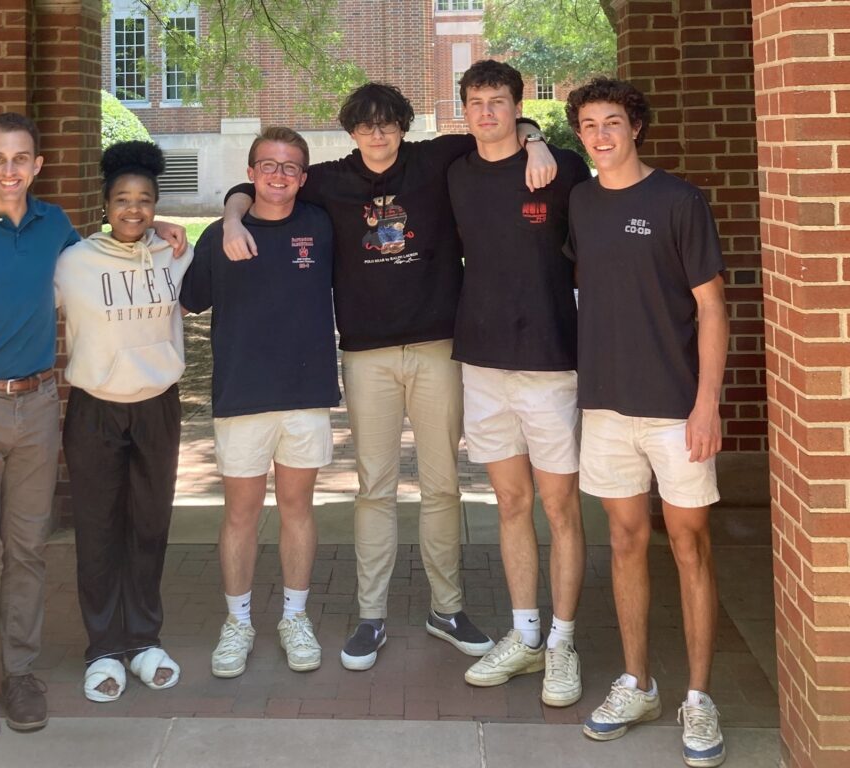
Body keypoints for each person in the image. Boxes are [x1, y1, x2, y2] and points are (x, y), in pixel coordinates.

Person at [222, 82, 558, 671]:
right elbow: (257, 187)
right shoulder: (328, 179)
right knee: (373, 487)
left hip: (437, 346)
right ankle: (370, 615)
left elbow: (499, 133)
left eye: (388, 123)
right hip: (366, 354)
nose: (377, 134)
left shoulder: (436, 158)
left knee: (442, 484)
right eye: (366, 125)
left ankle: (446, 609)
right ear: (352, 131)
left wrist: (536, 140)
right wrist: (229, 215)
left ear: (404, 125)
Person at [0, 113, 186, 742]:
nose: (10, 170)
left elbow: (115, 248)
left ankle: (22, 676)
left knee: (30, 550)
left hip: (37, 403)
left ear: (37, 166)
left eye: (21, 159)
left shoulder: (55, 228)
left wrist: (161, 225)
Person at [564, 78, 728, 768]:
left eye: (613, 123)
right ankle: (639, 683)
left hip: (675, 409)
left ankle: (698, 696)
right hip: (604, 406)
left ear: (636, 128)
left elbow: (713, 310)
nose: (601, 136)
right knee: (625, 542)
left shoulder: (679, 201)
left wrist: (707, 404)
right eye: (589, 126)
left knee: (690, 545)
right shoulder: (579, 201)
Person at [448, 60, 590, 708]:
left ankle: (563, 642)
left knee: (559, 508)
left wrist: (539, 143)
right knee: (509, 505)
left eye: (498, 102)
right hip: (482, 365)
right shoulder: (455, 174)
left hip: (550, 363)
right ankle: (526, 632)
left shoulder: (559, 169)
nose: (486, 112)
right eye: (475, 102)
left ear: (517, 106)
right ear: (465, 109)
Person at [181, 127, 340, 679]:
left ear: (303, 176)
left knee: (298, 509)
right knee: (241, 514)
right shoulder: (220, 237)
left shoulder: (320, 225)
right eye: (268, 165)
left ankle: (295, 618)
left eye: (291, 167)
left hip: (305, 393)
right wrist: (218, 223)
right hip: (242, 394)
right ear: (250, 172)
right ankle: (239, 621)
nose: (279, 175)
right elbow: (187, 301)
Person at [56, 141, 192, 702]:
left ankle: (143, 640)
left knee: (150, 526)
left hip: (158, 404)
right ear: (105, 204)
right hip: (95, 408)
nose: (133, 210)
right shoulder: (73, 264)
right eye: (122, 200)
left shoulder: (175, 254)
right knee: (98, 528)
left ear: (156, 206)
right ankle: (103, 648)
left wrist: (176, 230)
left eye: (145, 201)